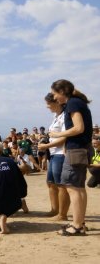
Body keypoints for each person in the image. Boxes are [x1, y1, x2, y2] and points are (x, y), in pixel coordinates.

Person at [50, 79, 92, 236]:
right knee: (78, 187)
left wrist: (57, 134)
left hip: (76, 150)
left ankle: (77, 225)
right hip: (81, 149)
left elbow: (79, 128)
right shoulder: (77, 102)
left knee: (72, 187)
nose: (54, 98)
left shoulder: (73, 104)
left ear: (62, 92)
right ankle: (79, 222)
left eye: (55, 94)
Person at [38, 93, 70, 221]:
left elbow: (64, 137)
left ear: (56, 102)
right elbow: (55, 134)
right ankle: (54, 209)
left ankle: (62, 214)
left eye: (48, 103)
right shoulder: (56, 116)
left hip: (60, 153)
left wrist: (46, 146)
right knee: (50, 183)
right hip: (53, 153)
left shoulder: (65, 116)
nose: (47, 106)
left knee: (61, 184)